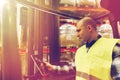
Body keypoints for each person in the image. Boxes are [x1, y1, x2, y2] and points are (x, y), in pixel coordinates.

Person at [44, 17, 120, 80]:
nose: (77, 35)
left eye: (79, 31)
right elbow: (74, 68)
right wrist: (53, 68)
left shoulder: (112, 47)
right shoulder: (80, 51)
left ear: (89, 28)